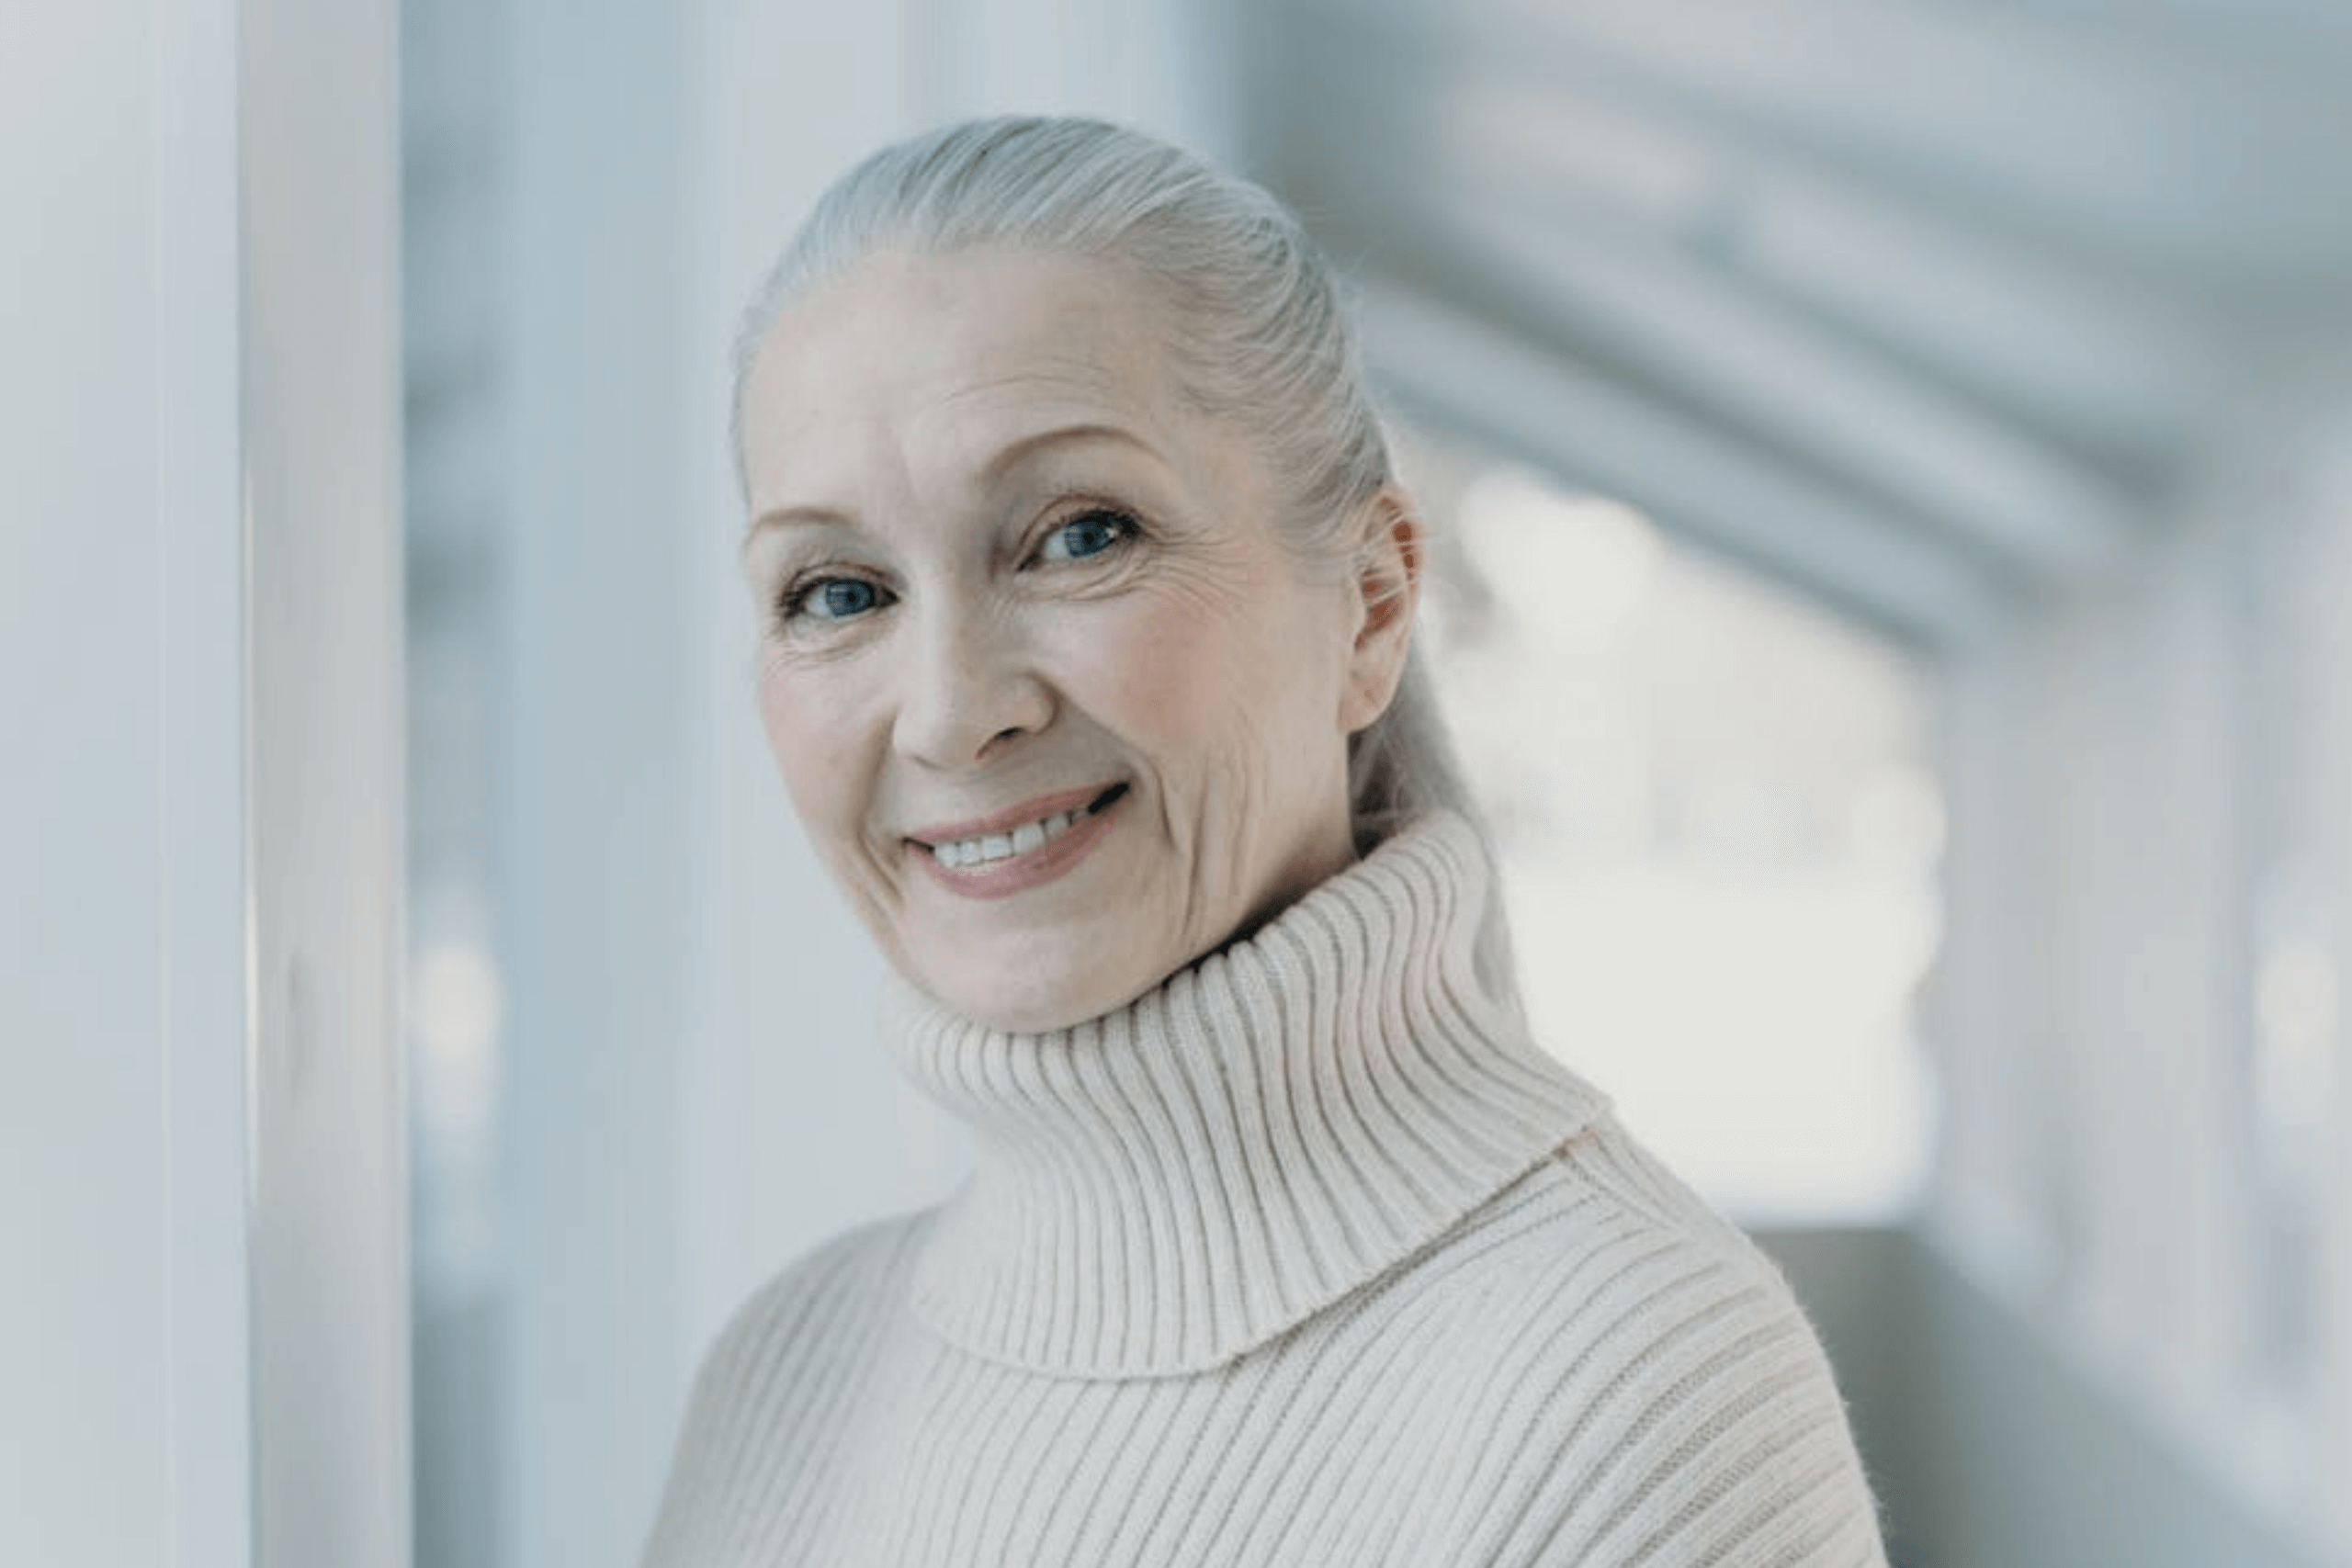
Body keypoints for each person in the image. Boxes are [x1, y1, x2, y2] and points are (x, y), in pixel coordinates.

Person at [643, 116, 1888, 1567]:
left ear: (1368, 604)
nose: (949, 713)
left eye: (1079, 534)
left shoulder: (1632, 1387)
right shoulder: (782, 1379)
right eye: (839, 592)